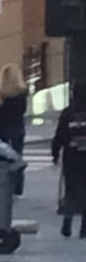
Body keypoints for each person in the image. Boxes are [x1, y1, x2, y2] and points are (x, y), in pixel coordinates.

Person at [51, 82, 86, 238]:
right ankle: (84, 228)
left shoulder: (67, 113)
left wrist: (55, 154)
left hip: (71, 156)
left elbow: (60, 135)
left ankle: (67, 221)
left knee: (71, 189)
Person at [0, 63, 29, 197]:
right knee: (17, 156)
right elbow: (22, 111)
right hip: (17, 127)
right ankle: (18, 186)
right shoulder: (21, 94)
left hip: (2, 128)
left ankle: (5, 183)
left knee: (3, 157)